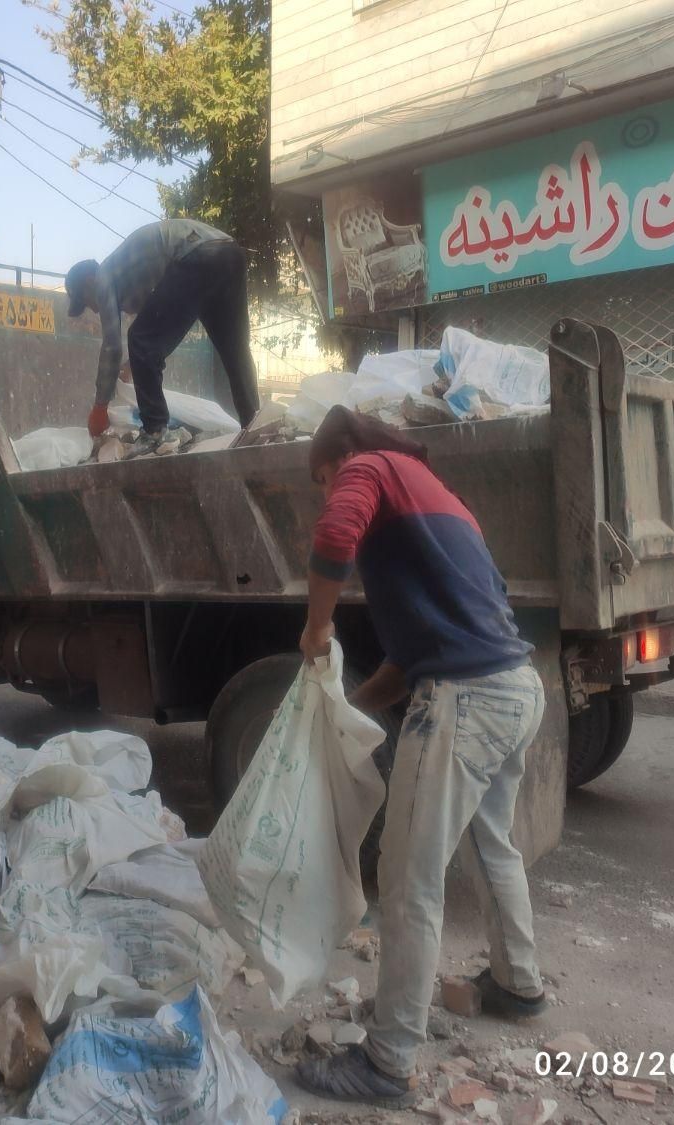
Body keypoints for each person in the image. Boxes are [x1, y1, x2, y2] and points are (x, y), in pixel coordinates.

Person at [294, 406, 546, 1109]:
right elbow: (408, 660)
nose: (327, 489)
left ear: (342, 453)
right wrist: (355, 710)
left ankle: (388, 1058)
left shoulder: (369, 467)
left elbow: (334, 531)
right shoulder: (441, 502)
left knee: (406, 876)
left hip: (465, 698)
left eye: (323, 474)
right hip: (516, 688)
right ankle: (519, 982)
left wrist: (316, 629)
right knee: (494, 844)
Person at [65, 218, 260, 453]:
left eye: (88, 302)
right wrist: (134, 363)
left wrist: (100, 407)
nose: (95, 310)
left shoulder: (103, 277)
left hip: (196, 255)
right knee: (234, 350)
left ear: (89, 282)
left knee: (138, 338)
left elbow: (112, 347)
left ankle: (155, 431)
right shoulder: (135, 270)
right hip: (228, 254)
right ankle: (255, 425)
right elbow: (162, 326)